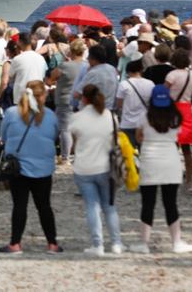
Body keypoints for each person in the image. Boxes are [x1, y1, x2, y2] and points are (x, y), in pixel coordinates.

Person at [0, 81, 61, 254]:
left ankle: (15, 243)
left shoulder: (11, 113)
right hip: (43, 167)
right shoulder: (50, 115)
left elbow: (3, 136)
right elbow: (55, 135)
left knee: (19, 205)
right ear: (43, 96)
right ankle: (52, 243)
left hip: (18, 167)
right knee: (44, 206)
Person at [130, 85, 192, 254]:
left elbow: (138, 137)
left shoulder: (145, 116)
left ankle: (143, 243)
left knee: (148, 203)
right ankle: (176, 242)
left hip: (150, 160)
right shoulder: (176, 117)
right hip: (170, 160)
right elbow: (177, 136)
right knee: (171, 203)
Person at [69, 84, 123, 255]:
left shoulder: (76, 118)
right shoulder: (110, 116)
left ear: (83, 98)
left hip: (84, 167)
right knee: (109, 207)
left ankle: (97, 245)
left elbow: (73, 143)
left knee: (92, 207)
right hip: (107, 167)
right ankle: (116, 243)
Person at [164, 49, 192, 190]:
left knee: (172, 147)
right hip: (187, 109)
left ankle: (171, 177)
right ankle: (189, 181)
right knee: (187, 149)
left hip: (173, 110)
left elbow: (164, 91)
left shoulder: (171, 75)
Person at [50, 38, 86, 163]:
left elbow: (52, 77)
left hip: (65, 99)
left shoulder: (65, 65)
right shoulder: (87, 65)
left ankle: (65, 157)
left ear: (72, 51)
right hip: (82, 100)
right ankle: (78, 156)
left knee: (65, 129)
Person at [116, 59, 154, 150]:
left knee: (128, 155)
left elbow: (119, 104)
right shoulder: (150, 84)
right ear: (141, 70)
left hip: (127, 123)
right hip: (144, 123)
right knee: (144, 153)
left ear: (127, 71)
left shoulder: (124, 84)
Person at [9, 33, 47, 99]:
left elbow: (10, 76)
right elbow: (43, 76)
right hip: (37, 95)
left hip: (21, 96)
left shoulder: (17, 59)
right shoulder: (41, 58)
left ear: (20, 42)